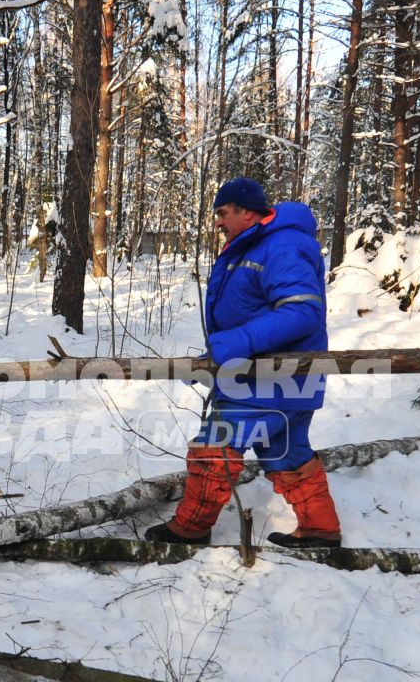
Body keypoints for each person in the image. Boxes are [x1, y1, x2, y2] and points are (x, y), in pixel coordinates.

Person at [145, 177, 341, 548]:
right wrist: (219, 354)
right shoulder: (254, 245)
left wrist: (234, 344)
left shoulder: (281, 246)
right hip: (277, 377)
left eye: (222, 212)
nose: (217, 221)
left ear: (246, 211)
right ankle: (319, 528)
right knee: (287, 450)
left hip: (269, 378)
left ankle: (190, 529)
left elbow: (302, 312)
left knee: (214, 449)